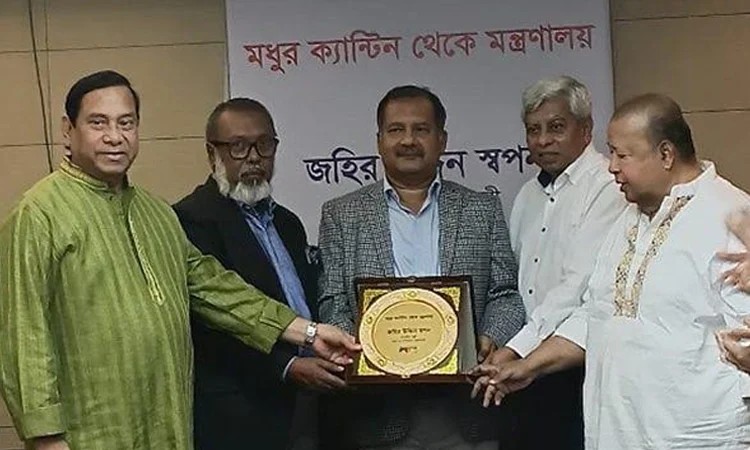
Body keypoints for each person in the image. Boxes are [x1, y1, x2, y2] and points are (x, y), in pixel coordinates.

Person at [0, 70, 359, 450]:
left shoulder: (156, 213)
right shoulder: (38, 215)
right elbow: (24, 337)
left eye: (126, 123)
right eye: (98, 123)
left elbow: (219, 290)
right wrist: (47, 439)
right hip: (89, 435)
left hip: (167, 429)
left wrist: (310, 333)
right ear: (67, 130)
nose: (114, 137)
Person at [471, 93, 750, 449]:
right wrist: (529, 366)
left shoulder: (731, 217)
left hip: (698, 437)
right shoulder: (628, 219)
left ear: (666, 154)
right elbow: (598, 313)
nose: (612, 167)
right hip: (618, 433)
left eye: (622, 155)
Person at [317, 85, 525, 449]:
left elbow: (505, 294)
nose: (408, 140)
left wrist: (489, 337)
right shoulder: (341, 214)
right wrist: (366, 353)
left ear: (442, 140)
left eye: (421, 129)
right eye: (396, 130)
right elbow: (332, 302)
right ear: (379, 141)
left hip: (466, 409)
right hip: (378, 415)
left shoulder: (482, 209)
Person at [174, 98, 343, 449]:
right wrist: (286, 366)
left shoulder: (287, 223)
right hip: (239, 415)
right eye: (238, 146)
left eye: (264, 145)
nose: (253, 158)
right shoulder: (190, 220)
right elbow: (208, 324)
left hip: (310, 405)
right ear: (212, 153)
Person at [487, 75, 626, 449]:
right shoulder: (527, 195)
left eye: (556, 127)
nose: (543, 140)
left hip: (576, 365)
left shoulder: (608, 187)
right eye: (534, 130)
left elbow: (576, 287)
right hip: (523, 370)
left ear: (586, 129)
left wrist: (516, 349)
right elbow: (513, 282)